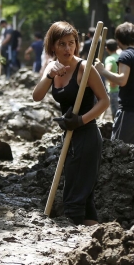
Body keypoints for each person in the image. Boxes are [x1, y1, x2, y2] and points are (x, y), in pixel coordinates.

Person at [32, 21, 109, 226]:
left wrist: (80, 120)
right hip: (70, 136)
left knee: (75, 197)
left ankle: (72, 243)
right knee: (83, 198)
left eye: (71, 43)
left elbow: (105, 101)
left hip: (87, 136)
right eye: (62, 44)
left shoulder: (85, 68)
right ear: (52, 47)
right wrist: (49, 74)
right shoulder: (53, 67)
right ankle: (96, 242)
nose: (68, 49)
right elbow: (37, 96)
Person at [95, 22, 134, 144]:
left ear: (118, 40)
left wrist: (102, 71)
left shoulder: (126, 55)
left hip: (129, 111)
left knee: (118, 149)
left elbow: (122, 80)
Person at [103, 39, 120, 119]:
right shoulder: (121, 57)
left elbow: (107, 71)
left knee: (115, 113)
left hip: (114, 90)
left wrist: (112, 81)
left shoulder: (109, 59)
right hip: (122, 88)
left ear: (106, 48)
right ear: (117, 47)